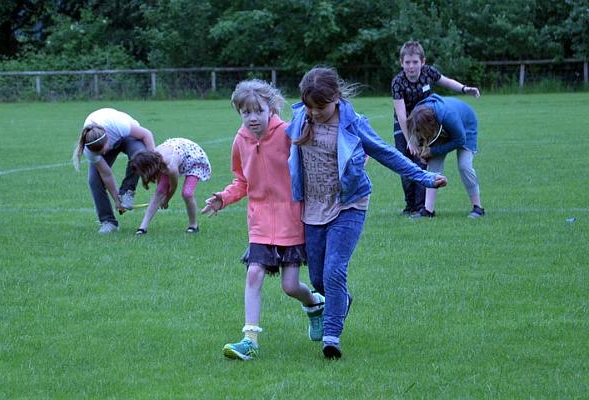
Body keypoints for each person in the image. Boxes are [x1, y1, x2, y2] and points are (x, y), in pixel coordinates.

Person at [286, 67, 448, 359]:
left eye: (320, 107)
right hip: (312, 209)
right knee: (319, 278)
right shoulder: (300, 118)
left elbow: (386, 152)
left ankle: (331, 338)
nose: (314, 113)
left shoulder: (353, 124)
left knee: (335, 270)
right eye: (309, 106)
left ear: (335, 97)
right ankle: (341, 300)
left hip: (349, 205)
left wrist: (425, 177)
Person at [201, 80, 325, 361]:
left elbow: (314, 157)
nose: (252, 118)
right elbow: (242, 180)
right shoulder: (240, 140)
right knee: (254, 273)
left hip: (291, 221)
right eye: (246, 113)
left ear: (271, 107)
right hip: (259, 224)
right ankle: (250, 340)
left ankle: (315, 303)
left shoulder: (287, 134)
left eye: (258, 110)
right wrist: (223, 197)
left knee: (290, 286)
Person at [391, 40, 480, 216]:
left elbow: (446, 82)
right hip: (406, 126)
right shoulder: (398, 82)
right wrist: (409, 139)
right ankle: (410, 206)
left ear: (422, 62)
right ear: (402, 63)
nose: (411, 66)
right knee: (405, 164)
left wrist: (464, 89)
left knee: (423, 162)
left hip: (430, 123)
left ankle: (421, 207)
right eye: (407, 62)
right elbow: (401, 114)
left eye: (415, 62)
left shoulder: (428, 73)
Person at [72, 108, 156, 234]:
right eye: (100, 153)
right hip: (105, 140)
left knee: (140, 155)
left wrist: (152, 161)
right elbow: (106, 174)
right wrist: (117, 200)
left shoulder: (119, 125)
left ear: (107, 139)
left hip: (127, 137)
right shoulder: (90, 149)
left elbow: (146, 134)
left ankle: (127, 191)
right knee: (94, 180)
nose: (104, 154)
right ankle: (108, 222)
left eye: (103, 150)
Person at [407, 94, 484, 218]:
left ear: (430, 125)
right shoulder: (418, 113)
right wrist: (423, 150)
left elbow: (460, 140)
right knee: (433, 167)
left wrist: (433, 151)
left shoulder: (448, 116)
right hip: (441, 127)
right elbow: (421, 134)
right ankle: (428, 211)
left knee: (464, 165)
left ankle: (478, 208)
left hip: (465, 126)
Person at [130, 138, 212, 234]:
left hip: (194, 159)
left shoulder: (170, 166)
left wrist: (166, 200)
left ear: (148, 167)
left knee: (187, 193)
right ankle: (142, 228)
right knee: (159, 191)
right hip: (178, 152)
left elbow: (173, 187)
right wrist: (161, 194)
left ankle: (193, 226)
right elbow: (160, 184)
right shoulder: (155, 159)